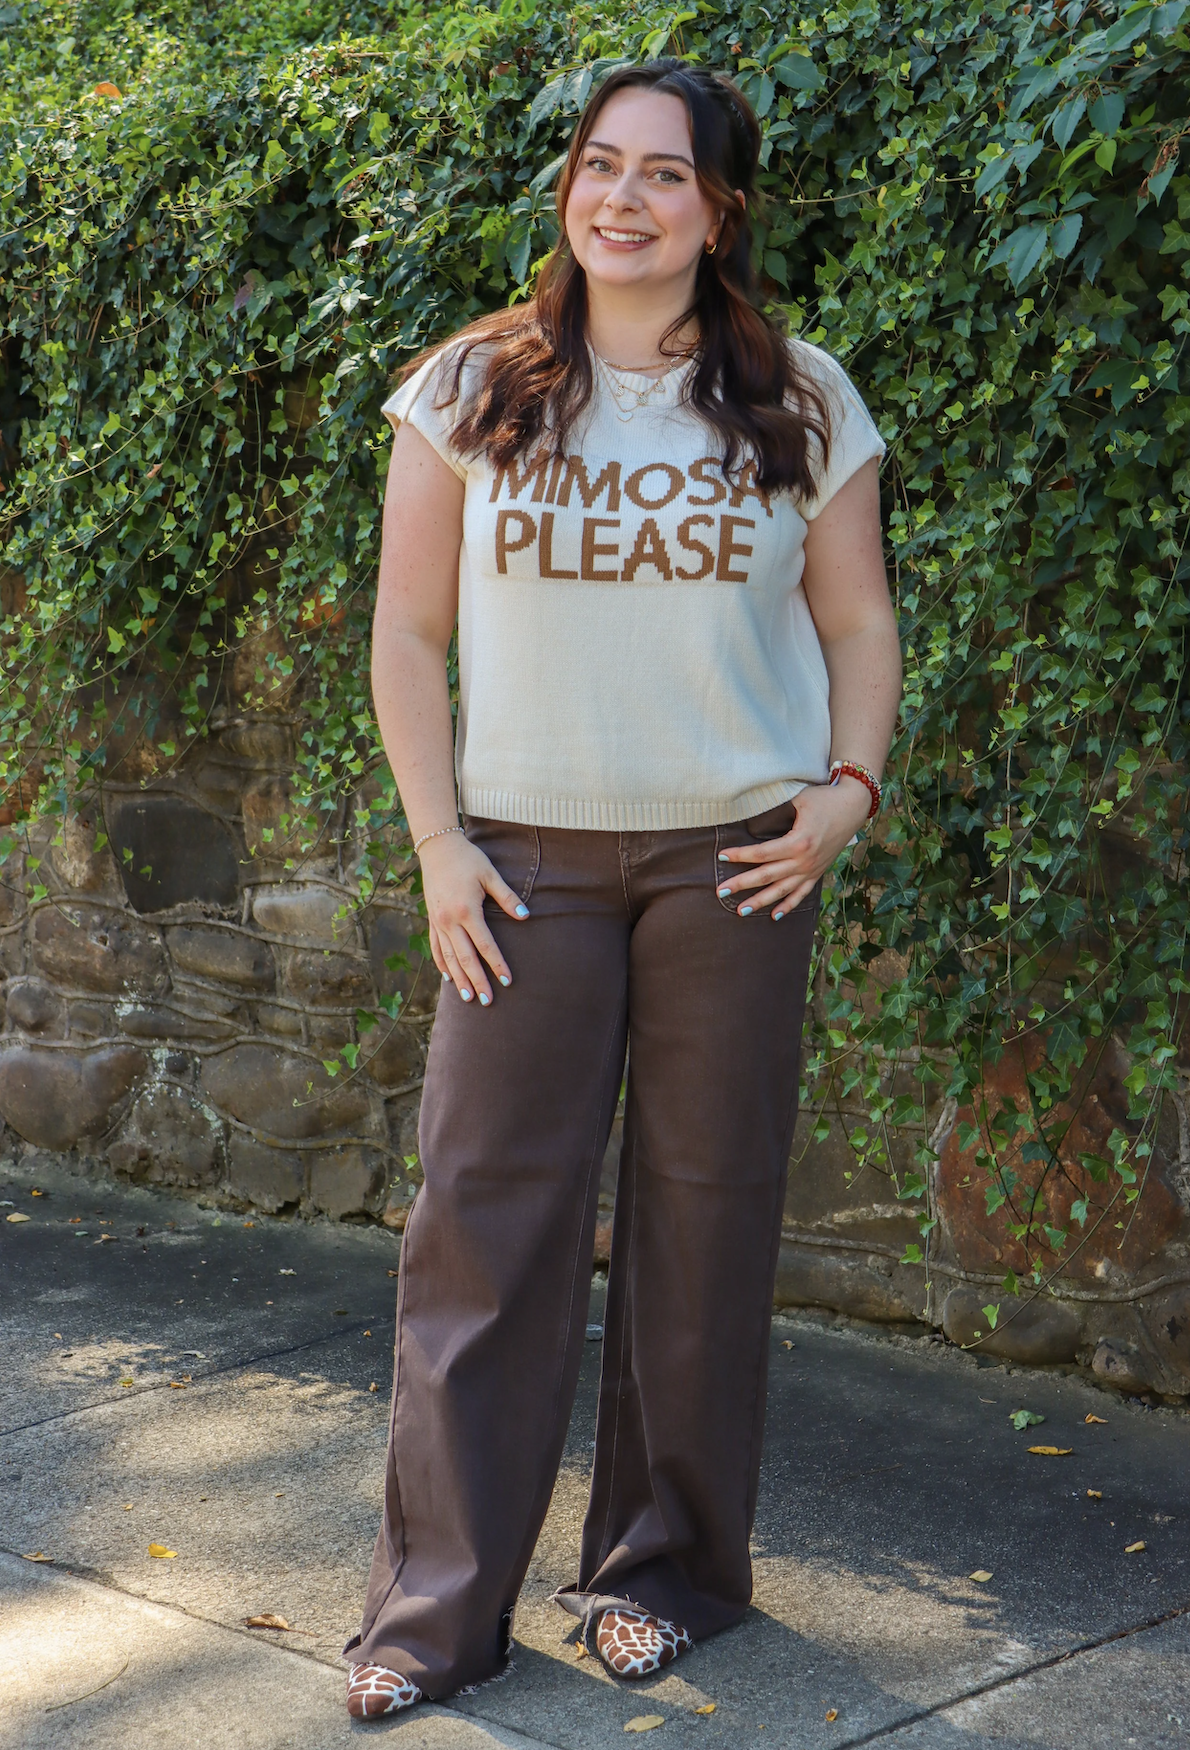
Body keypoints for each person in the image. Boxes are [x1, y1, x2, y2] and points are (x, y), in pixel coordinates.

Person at [344, 59, 902, 1719]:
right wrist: (442, 843)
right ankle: (433, 1615)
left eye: (666, 176)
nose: (626, 199)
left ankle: (662, 1575)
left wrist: (843, 798)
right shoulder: (469, 386)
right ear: (568, 189)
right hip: (518, 864)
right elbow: (405, 631)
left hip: (736, 858)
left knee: (704, 1222)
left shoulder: (801, 394)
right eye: (602, 166)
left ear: (717, 213)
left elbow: (858, 622)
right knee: (479, 1235)